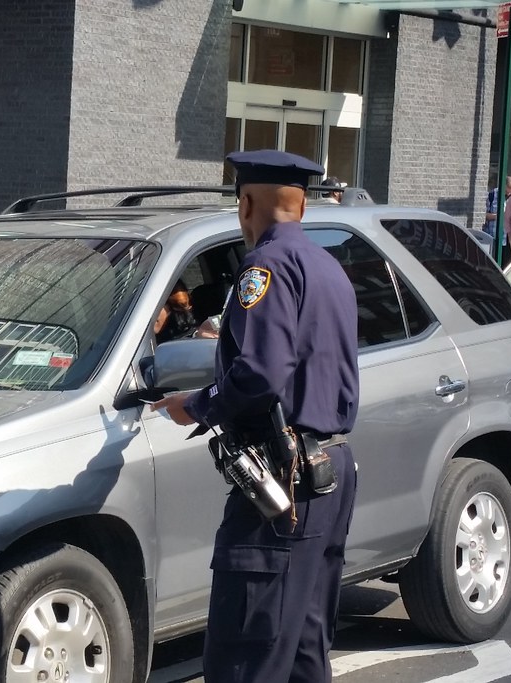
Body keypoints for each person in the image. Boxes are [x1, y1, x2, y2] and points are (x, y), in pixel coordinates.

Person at [151, 149, 359, 683]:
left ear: (246, 203)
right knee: (303, 650)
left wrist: (194, 404)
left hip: (283, 479)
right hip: (330, 470)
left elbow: (262, 372)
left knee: (247, 653)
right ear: (302, 207)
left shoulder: (264, 267)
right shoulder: (328, 266)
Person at [483, 175, 511, 239]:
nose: (508, 194)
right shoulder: (491, 195)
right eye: (506, 192)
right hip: (492, 235)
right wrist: (499, 216)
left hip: (508, 239)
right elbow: (483, 215)